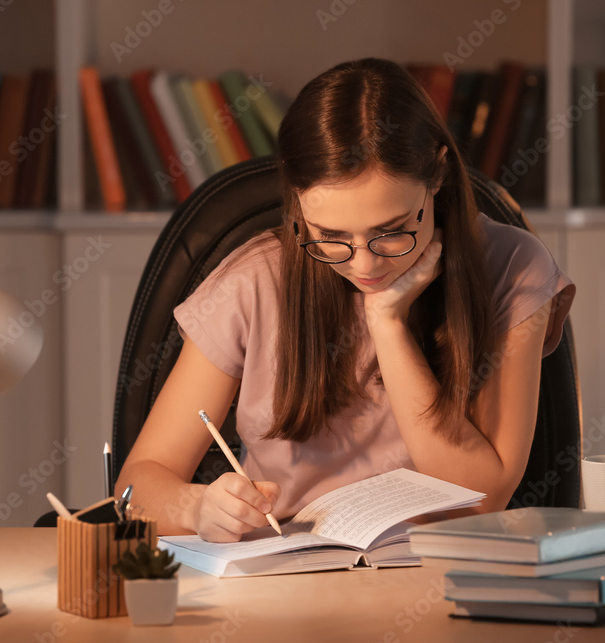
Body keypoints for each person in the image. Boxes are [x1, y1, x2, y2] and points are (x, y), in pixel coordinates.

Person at [115, 57, 575, 543]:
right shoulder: (256, 280)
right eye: (330, 236)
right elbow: (136, 486)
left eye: (392, 232)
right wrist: (197, 506)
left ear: (437, 175)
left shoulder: (513, 267)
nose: (363, 266)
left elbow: (480, 499)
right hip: (284, 577)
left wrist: (387, 322)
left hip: (436, 575)